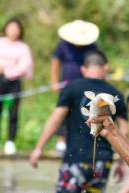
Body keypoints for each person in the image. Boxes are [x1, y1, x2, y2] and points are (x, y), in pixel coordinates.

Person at [29, 51, 128, 193]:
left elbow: (56, 118)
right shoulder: (115, 94)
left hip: (76, 158)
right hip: (103, 161)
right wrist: (123, 161)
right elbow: (124, 131)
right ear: (105, 68)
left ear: (83, 69)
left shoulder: (73, 87)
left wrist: (38, 148)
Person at [0, 18, 34, 155]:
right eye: (11, 28)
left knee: (14, 112)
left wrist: (6, 69)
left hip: (14, 83)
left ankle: (10, 140)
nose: (13, 31)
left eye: (16, 28)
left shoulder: (23, 47)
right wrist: (9, 64)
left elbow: (24, 66)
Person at [51, 20, 99, 156]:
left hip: (87, 86)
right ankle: (61, 142)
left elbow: (97, 63)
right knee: (63, 112)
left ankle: (83, 142)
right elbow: (55, 62)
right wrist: (54, 81)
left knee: (86, 112)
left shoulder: (92, 46)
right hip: (66, 86)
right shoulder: (63, 46)